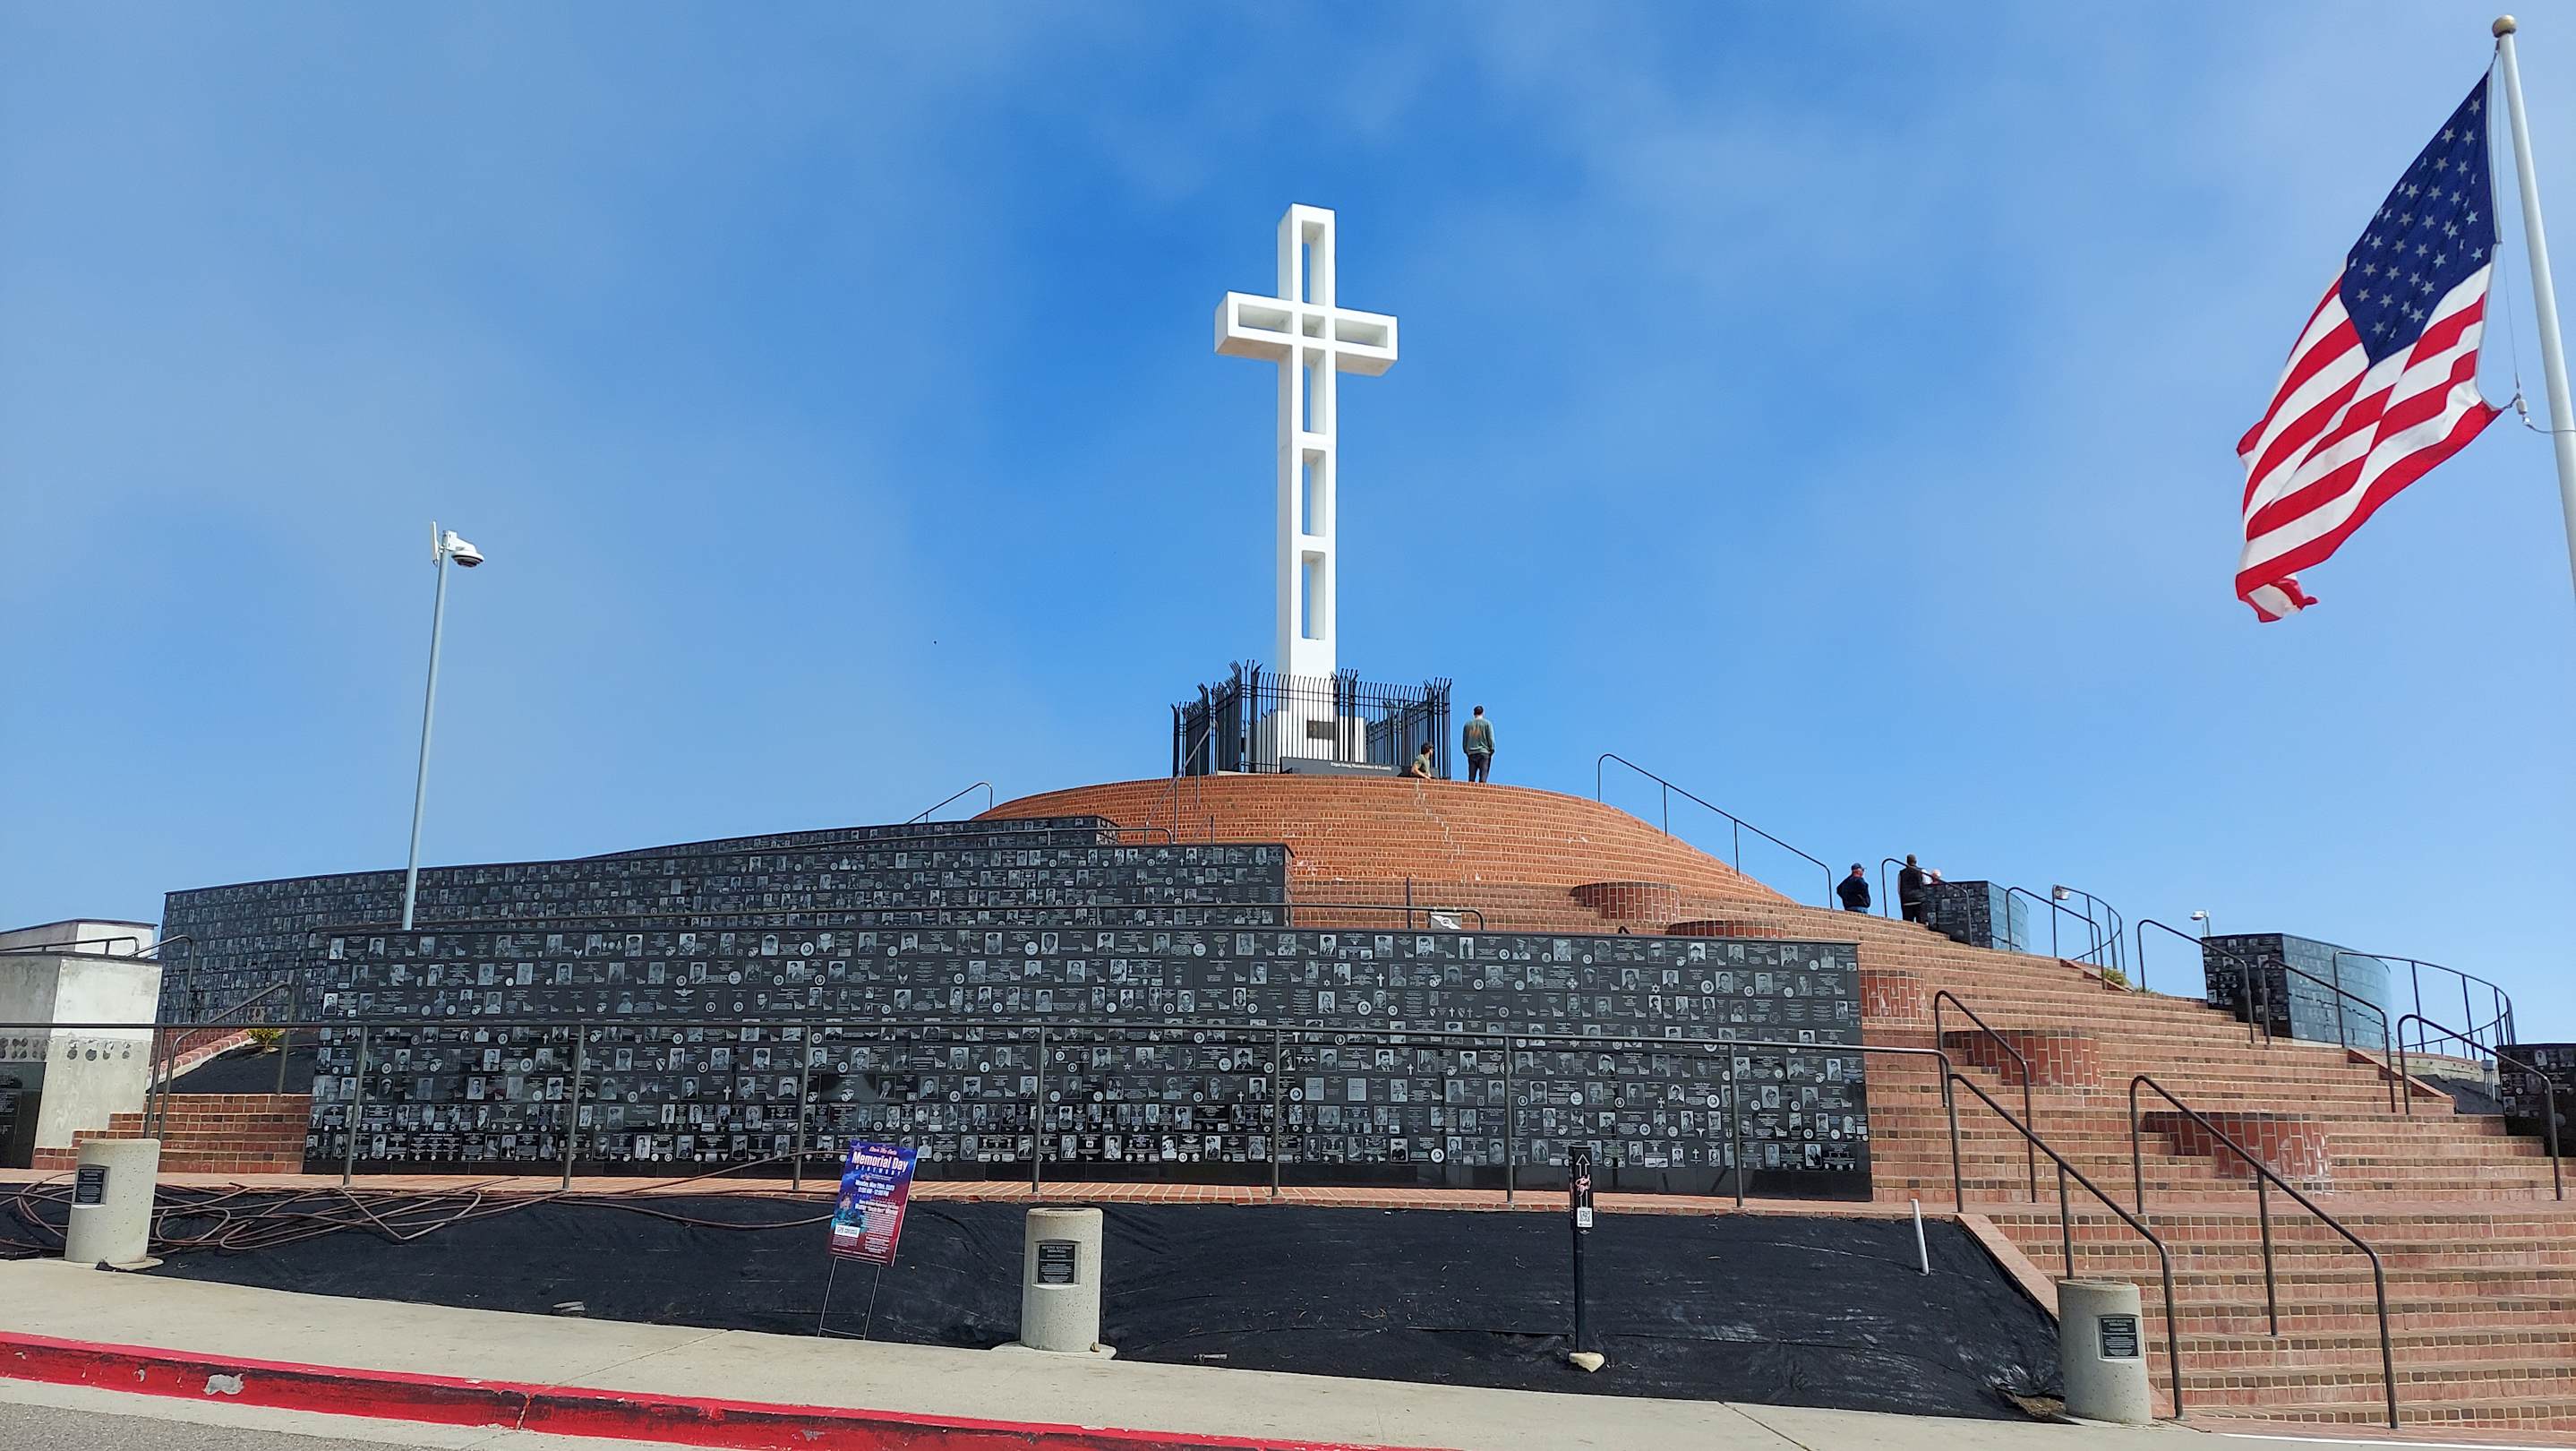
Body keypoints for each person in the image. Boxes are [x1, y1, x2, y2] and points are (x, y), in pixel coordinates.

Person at [1461, 706, 1496, 783]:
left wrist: (1466, 750)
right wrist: (1492, 749)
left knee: (1471, 778)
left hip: (1471, 753)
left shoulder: (1467, 725)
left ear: (1474, 714)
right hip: (1484, 752)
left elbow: (1464, 740)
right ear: (1483, 713)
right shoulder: (1487, 724)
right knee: (1483, 778)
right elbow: (1491, 738)